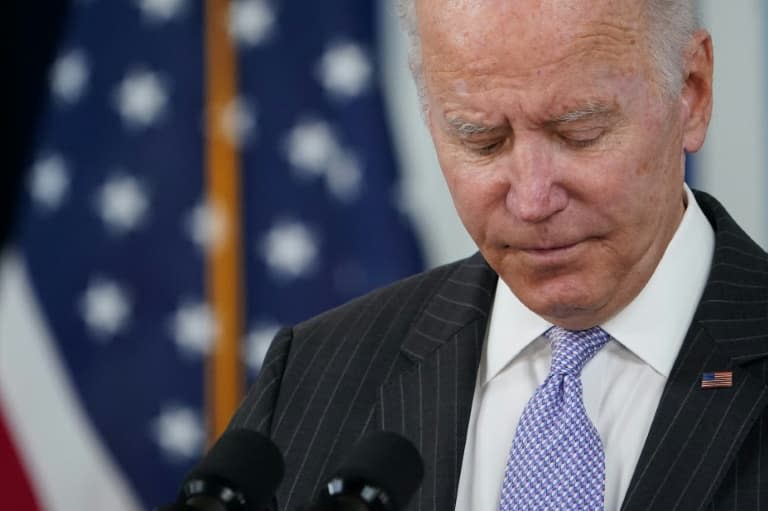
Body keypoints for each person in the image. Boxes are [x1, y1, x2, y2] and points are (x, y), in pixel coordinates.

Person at [228, 0, 768, 509]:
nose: (532, 201)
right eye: (481, 140)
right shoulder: (310, 373)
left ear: (692, 92)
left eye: (579, 132)